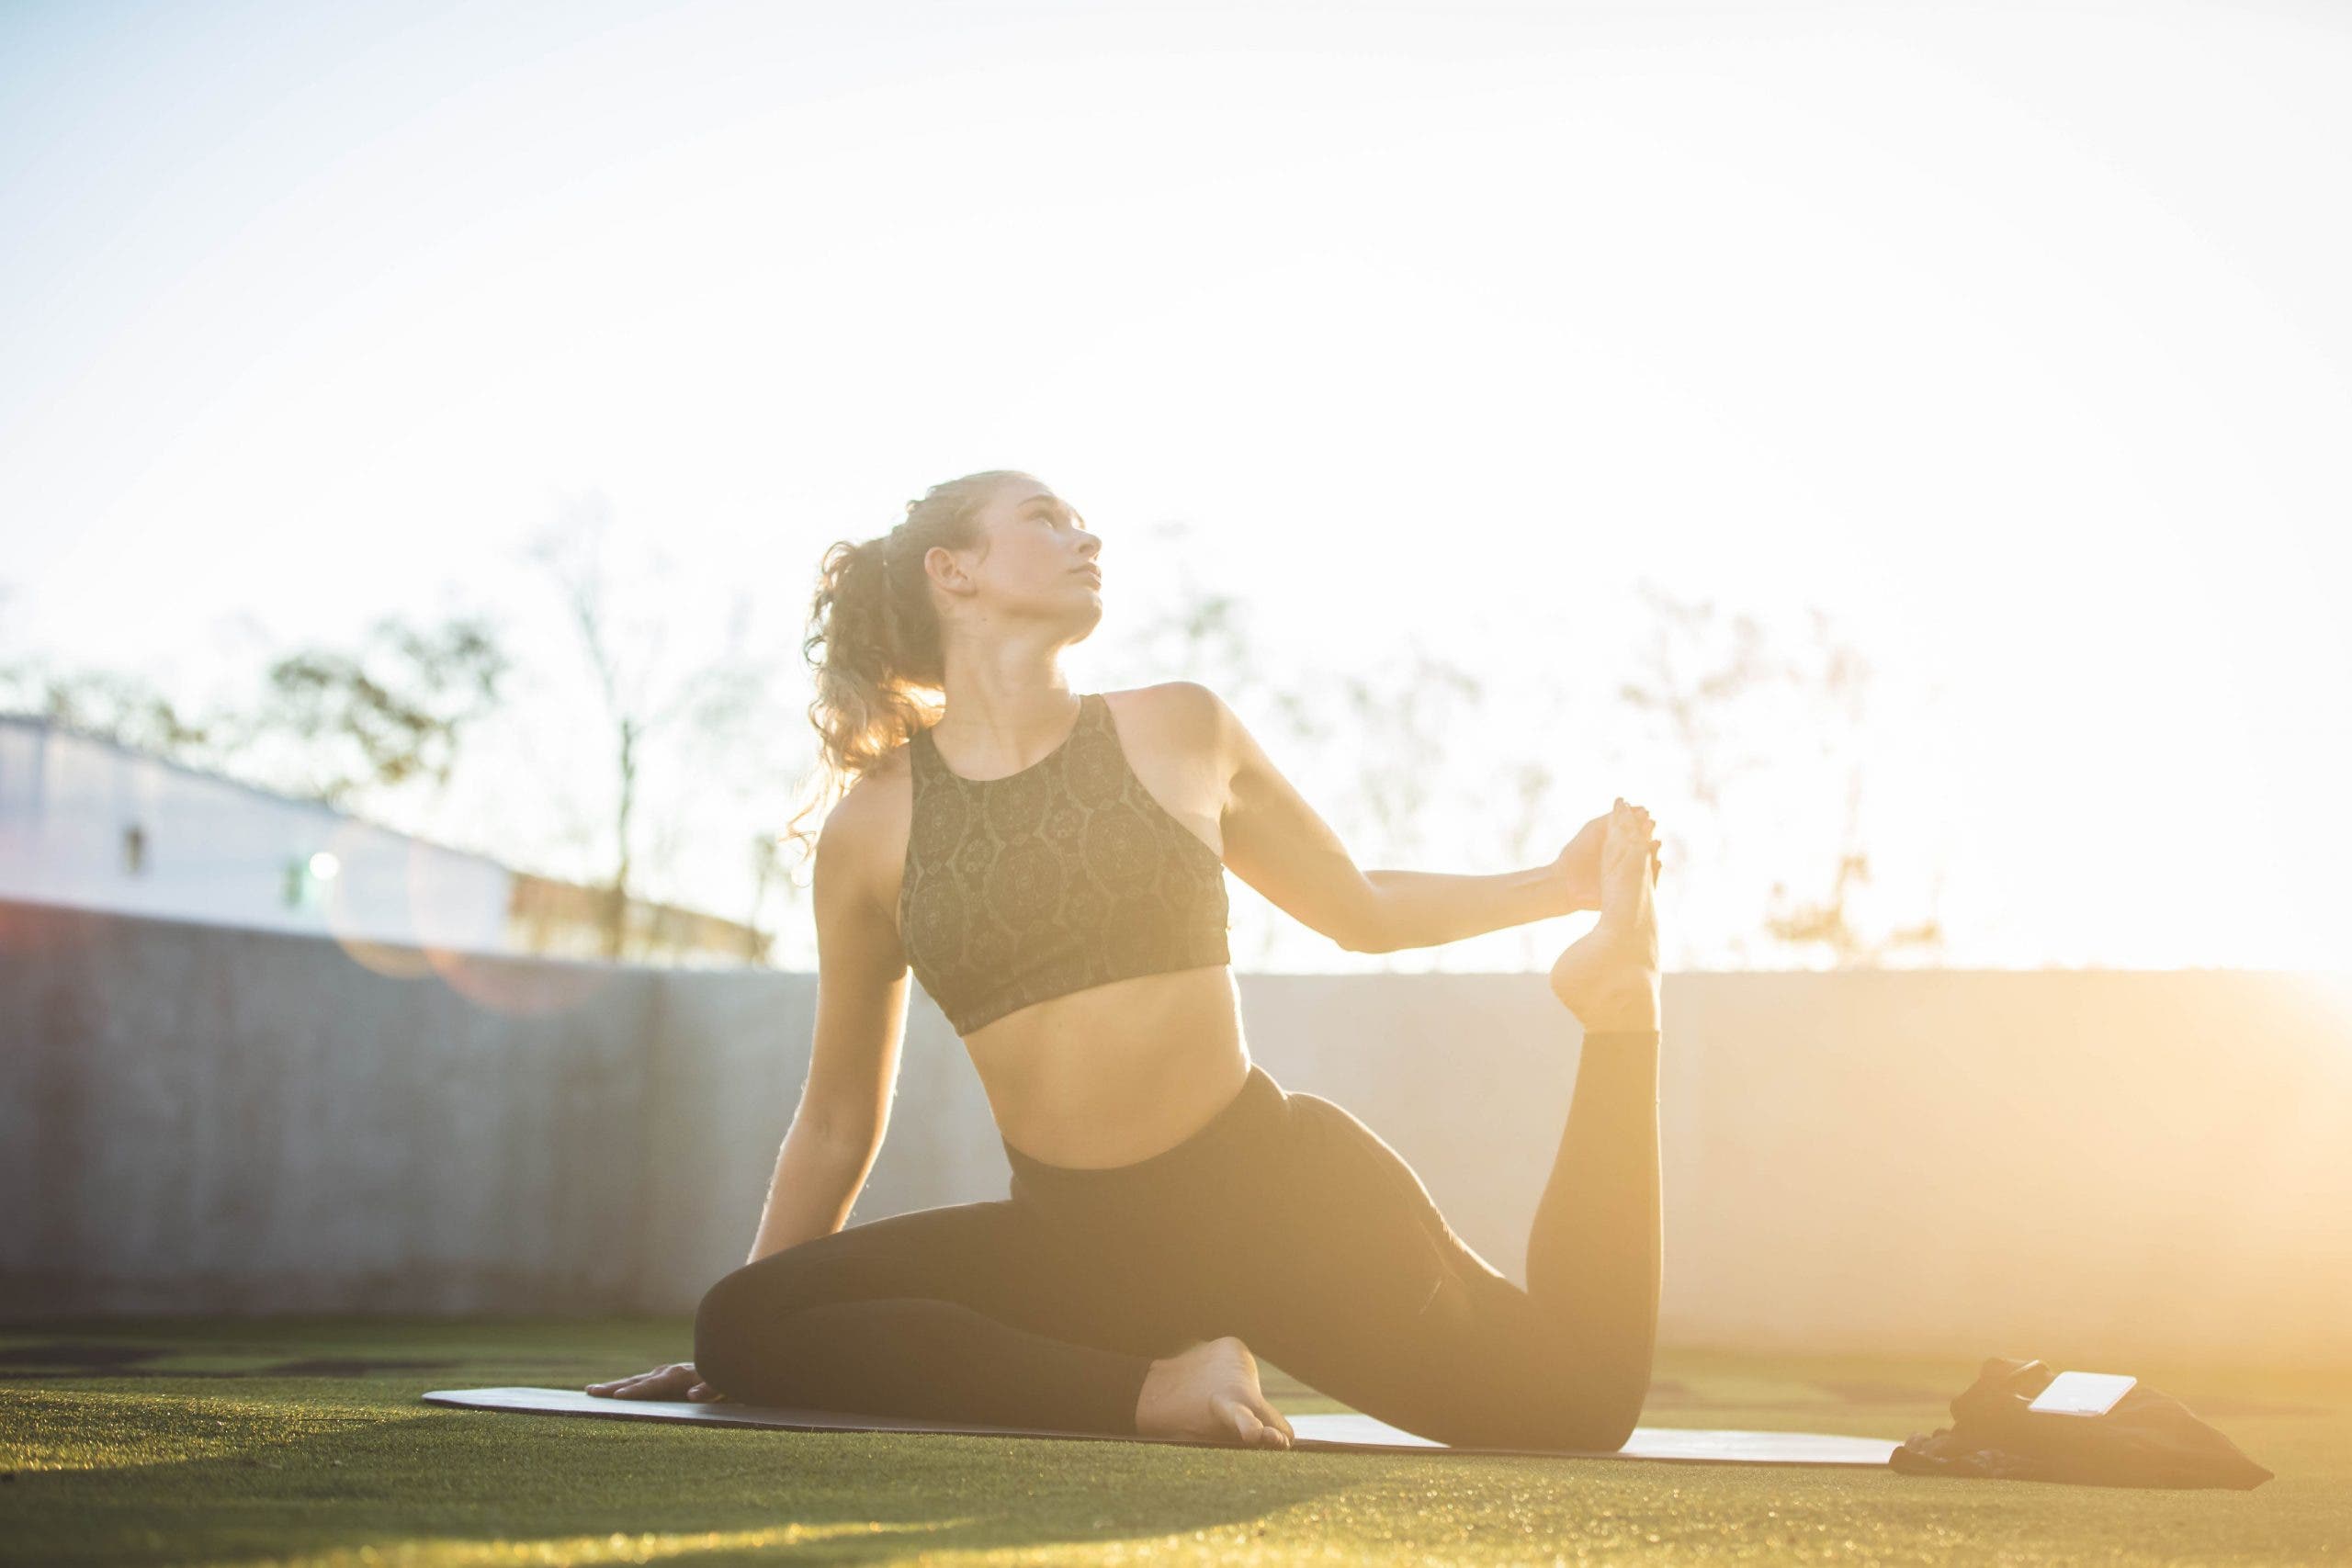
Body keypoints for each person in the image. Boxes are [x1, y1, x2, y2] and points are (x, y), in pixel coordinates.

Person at [587, 468, 1664, 1451]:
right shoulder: (871, 831)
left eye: (1080, 518)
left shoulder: (1178, 728)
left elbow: (1361, 911)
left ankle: (1619, 1011)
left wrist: (1562, 887)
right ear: (950, 571)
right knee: (740, 1319)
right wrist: (764, 1350)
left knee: (1577, 1410)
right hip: (1078, 1254)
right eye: (1044, 518)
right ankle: (1155, 1389)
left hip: (1274, 1204)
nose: (1083, 533)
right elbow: (834, 1116)